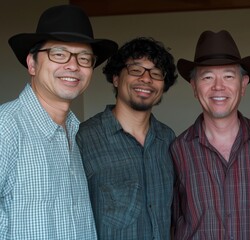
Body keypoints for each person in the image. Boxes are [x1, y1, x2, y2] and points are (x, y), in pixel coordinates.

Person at [0, 5, 117, 239]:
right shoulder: (6, 127)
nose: (73, 66)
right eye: (59, 54)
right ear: (32, 64)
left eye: (84, 58)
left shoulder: (74, 131)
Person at [170, 30, 250, 239]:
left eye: (228, 76)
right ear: (195, 87)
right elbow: (171, 219)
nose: (218, 87)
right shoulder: (177, 150)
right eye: (207, 77)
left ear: (243, 85)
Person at [76, 37, 178, 240]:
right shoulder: (84, 138)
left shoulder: (168, 139)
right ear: (116, 77)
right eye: (136, 70)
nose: (147, 79)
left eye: (156, 73)